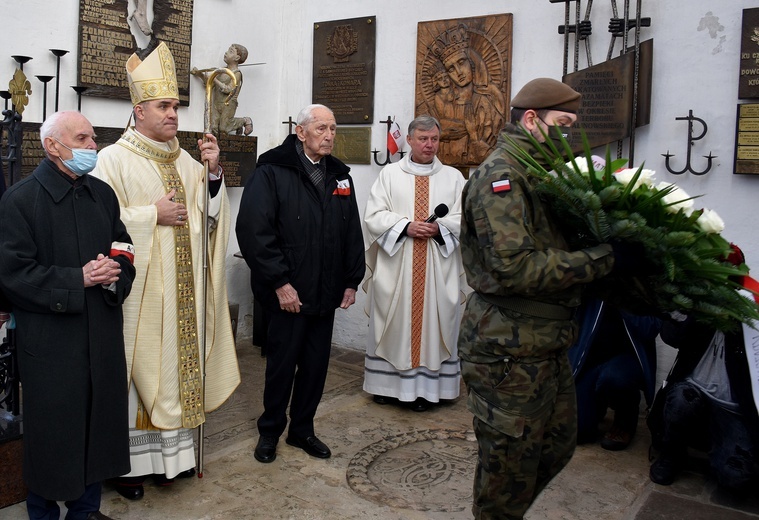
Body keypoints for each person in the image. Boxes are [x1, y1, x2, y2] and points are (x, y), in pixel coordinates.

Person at [458, 78, 628, 519]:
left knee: (556, 445)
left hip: (544, 342)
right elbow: (515, 268)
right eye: (563, 124)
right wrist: (603, 259)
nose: (570, 134)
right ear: (531, 120)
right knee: (507, 470)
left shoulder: (539, 172)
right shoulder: (503, 176)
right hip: (507, 348)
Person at [92, 41, 240, 500]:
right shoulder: (111, 160)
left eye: (175, 105)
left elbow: (210, 221)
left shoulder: (187, 160)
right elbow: (99, 223)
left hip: (183, 294)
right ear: (139, 111)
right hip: (140, 297)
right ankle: (128, 467)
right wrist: (148, 216)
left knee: (178, 372)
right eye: (163, 105)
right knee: (139, 376)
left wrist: (214, 176)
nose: (173, 113)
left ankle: (172, 461)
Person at [0, 110, 135, 520]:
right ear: (53, 146)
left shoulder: (103, 194)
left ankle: (86, 512)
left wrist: (115, 273)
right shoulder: (20, 200)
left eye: (93, 139)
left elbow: (123, 245)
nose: (93, 147)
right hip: (52, 348)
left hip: (102, 339)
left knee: (97, 435)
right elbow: (14, 275)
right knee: (53, 441)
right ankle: (43, 514)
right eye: (83, 140)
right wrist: (77, 279)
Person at [236, 104, 365, 464]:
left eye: (333, 129)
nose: (329, 135)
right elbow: (253, 231)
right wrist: (280, 283)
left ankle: (302, 430)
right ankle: (270, 432)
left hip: (326, 290)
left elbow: (351, 231)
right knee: (282, 366)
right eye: (321, 128)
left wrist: (352, 279)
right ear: (301, 131)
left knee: (315, 365)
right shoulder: (272, 171)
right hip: (287, 294)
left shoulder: (340, 176)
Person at [362, 115, 467, 412]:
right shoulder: (390, 175)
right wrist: (405, 227)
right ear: (409, 140)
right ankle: (385, 387)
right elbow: (373, 215)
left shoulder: (454, 177)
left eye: (434, 139)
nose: (429, 144)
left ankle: (427, 390)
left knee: (435, 323)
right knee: (392, 323)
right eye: (423, 139)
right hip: (398, 267)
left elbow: (465, 218)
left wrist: (441, 228)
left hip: (437, 268)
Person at [648, 245, 759, 490]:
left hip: (733, 407)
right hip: (694, 392)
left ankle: (718, 448)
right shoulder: (699, 304)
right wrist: (686, 309)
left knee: (735, 479)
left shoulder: (751, 310)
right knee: (680, 400)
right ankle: (672, 454)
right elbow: (671, 337)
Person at [569, 298, 660, 450]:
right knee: (578, 434)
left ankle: (625, 420)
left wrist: (621, 297)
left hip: (624, 361)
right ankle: (596, 406)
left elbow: (650, 328)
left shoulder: (642, 282)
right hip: (589, 359)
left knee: (615, 379)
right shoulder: (592, 279)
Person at [430, 24, 506, 166]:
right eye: (451, 69)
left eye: (461, 62)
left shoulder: (488, 99)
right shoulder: (445, 101)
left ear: (471, 61)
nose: (458, 72)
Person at [191, 44, 253, 136]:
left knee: (223, 128)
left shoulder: (236, 74)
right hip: (216, 103)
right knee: (213, 128)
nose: (226, 53)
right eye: (228, 50)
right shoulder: (221, 71)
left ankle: (244, 121)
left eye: (231, 51)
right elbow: (209, 84)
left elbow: (228, 89)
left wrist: (214, 78)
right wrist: (200, 74)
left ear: (237, 57)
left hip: (228, 103)